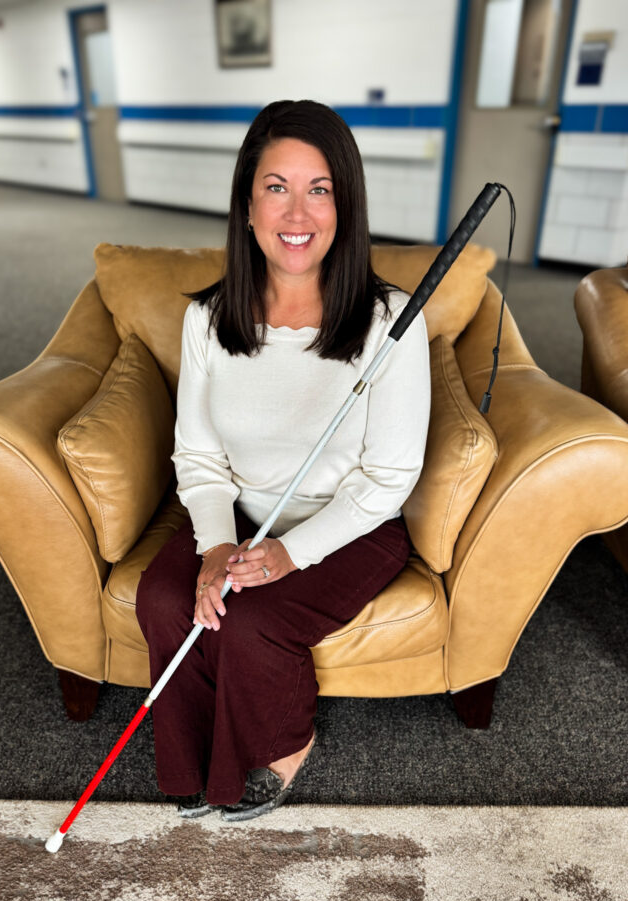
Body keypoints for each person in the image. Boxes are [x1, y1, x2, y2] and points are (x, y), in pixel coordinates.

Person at [135, 99, 430, 822]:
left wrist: (292, 555)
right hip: (241, 515)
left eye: (319, 188)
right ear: (246, 204)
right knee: (166, 598)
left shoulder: (391, 320)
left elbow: (389, 476)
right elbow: (198, 455)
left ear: (345, 204)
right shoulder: (207, 318)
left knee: (255, 618)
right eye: (276, 187)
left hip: (352, 526)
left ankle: (284, 744)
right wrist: (217, 546)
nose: (297, 212)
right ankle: (197, 758)